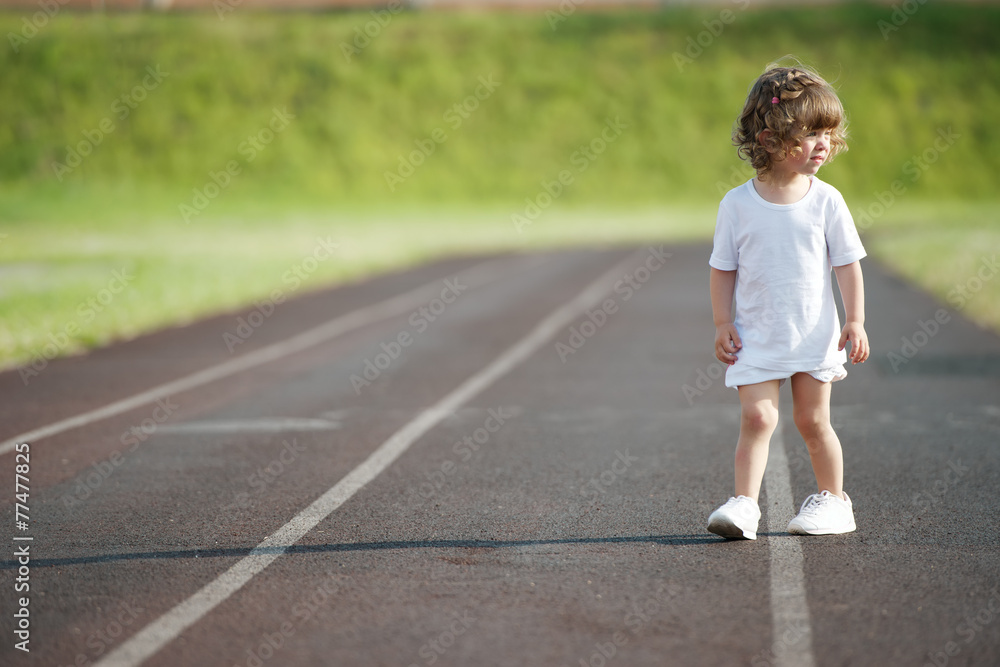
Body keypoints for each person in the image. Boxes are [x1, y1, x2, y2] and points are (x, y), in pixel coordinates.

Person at [706, 63, 869, 540]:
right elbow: (722, 269)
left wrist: (855, 320)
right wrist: (721, 322)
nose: (824, 143)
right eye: (811, 133)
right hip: (757, 335)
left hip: (814, 334)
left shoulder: (827, 201)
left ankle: (834, 502)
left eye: (829, 133)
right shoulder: (736, 205)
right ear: (771, 139)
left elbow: (847, 264)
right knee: (757, 417)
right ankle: (744, 505)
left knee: (813, 421)